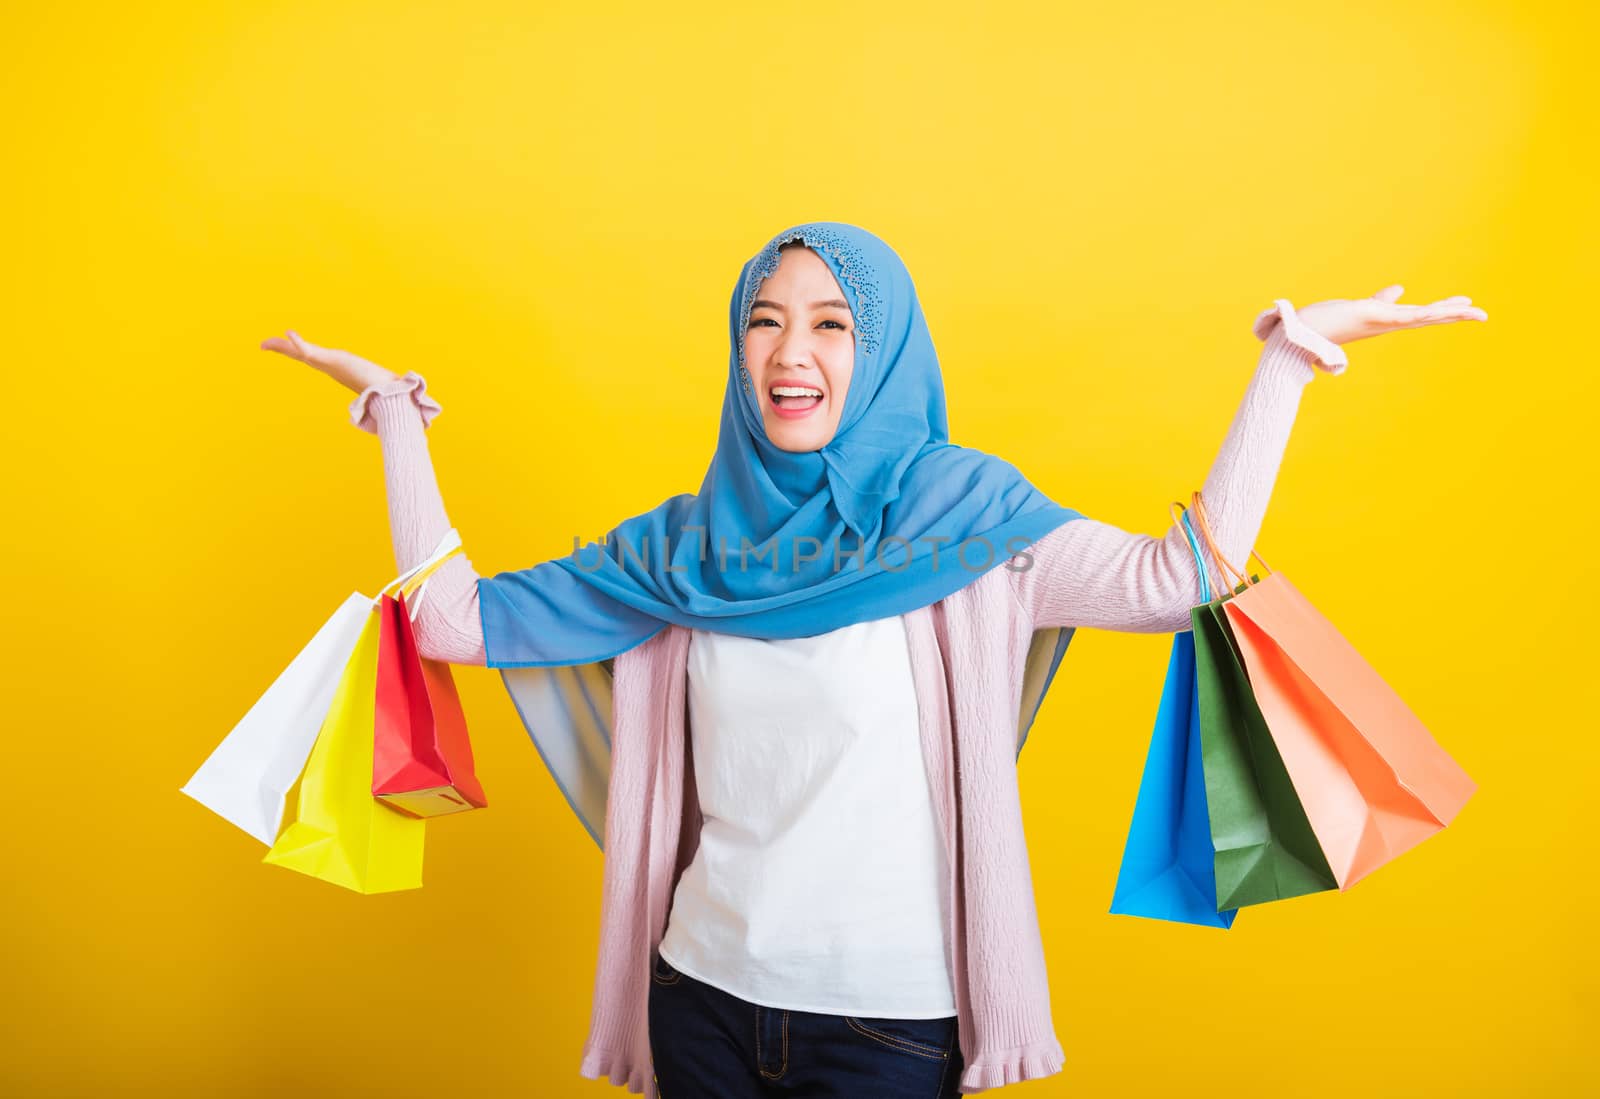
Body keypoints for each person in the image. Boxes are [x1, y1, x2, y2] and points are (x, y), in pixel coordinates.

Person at [262, 221, 1485, 1098]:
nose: (792, 350)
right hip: (696, 999)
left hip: (890, 1034)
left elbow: (1183, 580)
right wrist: (392, 424)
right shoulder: (684, 550)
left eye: (833, 324)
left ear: (883, 347)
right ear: (739, 352)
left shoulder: (969, 525)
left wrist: (1283, 368)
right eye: (765, 320)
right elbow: (455, 624)